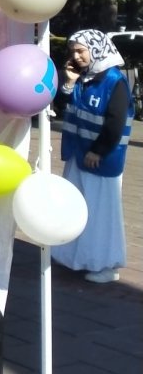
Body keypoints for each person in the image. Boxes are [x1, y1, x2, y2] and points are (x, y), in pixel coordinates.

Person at [53, 29, 133, 283]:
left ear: (96, 50)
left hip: (101, 159)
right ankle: (75, 256)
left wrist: (98, 150)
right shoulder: (83, 78)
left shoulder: (114, 81)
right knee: (76, 208)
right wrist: (68, 83)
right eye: (72, 51)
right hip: (78, 153)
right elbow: (63, 107)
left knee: (101, 213)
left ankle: (107, 264)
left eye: (80, 51)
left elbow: (115, 122)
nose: (75, 56)